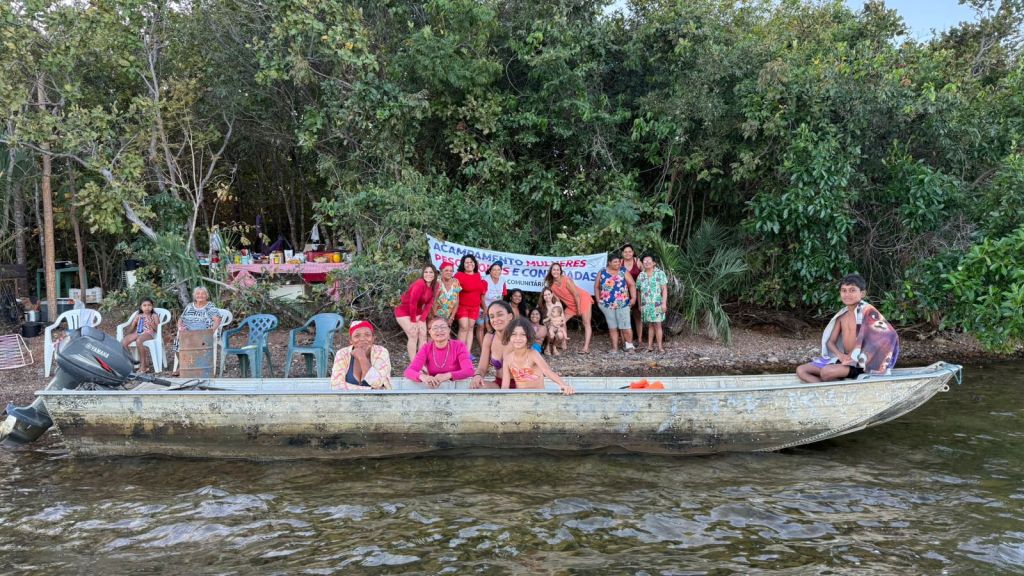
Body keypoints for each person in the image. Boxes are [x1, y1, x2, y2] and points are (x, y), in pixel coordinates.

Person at [796, 274, 901, 383]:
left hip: (859, 364)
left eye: (852, 290)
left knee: (826, 372)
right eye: (844, 290)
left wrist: (856, 356)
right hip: (844, 360)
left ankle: (834, 387)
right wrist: (841, 356)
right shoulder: (841, 316)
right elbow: (830, 342)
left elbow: (890, 335)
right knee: (801, 370)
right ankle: (826, 392)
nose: (847, 294)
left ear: (862, 293)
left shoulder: (867, 311)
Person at [501, 318, 574, 395]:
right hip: (521, 398)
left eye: (523, 334)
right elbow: (505, 385)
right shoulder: (507, 359)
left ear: (528, 337)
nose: (518, 338)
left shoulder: (533, 354)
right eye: (514, 334)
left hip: (539, 397)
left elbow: (547, 371)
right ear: (509, 336)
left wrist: (563, 385)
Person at [404, 317, 475, 388]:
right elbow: (409, 371)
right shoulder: (426, 348)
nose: (439, 330)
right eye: (435, 328)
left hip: (457, 387)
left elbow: (469, 370)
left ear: (449, 330)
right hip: (435, 387)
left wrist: (447, 375)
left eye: (443, 327)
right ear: (429, 332)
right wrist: (423, 377)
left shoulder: (459, 346)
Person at [544, 262, 594, 353]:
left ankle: (586, 348)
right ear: (551, 271)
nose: (555, 271)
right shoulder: (552, 285)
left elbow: (576, 295)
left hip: (582, 300)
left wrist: (578, 309)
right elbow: (557, 300)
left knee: (586, 323)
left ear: (560, 271)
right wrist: (556, 311)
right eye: (554, 269)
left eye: (557, 270)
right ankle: (564, 343)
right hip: (571, 305)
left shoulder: (566, 280)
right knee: (561, 321)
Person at [594, 252, 637, 353]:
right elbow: (596, 287)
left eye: (619, 262)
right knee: (612, 327)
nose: (618, 264)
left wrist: (633, 298)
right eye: (615, 262)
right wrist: (598, 299)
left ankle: (629, 347)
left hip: (623, 303)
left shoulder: (623, 271)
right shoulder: (602, 272)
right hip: (606, 304)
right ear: (609, 262)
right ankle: (615, 348)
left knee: (626, 326)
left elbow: (632, 284)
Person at [394, 265, 438, 361]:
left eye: (431, 272)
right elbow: (412, 303)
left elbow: (429, 303)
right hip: (403, 310)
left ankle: (421, 361)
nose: (428, 274)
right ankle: (414, 363)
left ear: (435, 274)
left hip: (417, 310)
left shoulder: (435, 285)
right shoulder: (419, 284)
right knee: (413, 334)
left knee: (423, 334)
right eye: (426, 272)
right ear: (423, 273)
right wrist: (414, 321)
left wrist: (422, 319)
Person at [331, 320, 392, 390]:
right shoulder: (342, 354)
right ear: (350, 340)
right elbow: (336, 385)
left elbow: (377, 383)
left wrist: (362, 357)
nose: (362, 339)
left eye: (367, 335)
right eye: (357, 336)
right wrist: (370, 390)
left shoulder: (381, 352)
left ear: (373, 339)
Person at [470, 300, 514, 389]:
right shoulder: (489, 338)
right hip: (498, 383)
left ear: (510, 316)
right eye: (492, 316)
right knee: (476, 386)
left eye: (500, 314)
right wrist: (477, 375)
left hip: (521, 385)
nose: (496, 319)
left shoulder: (519, 338)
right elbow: (482, 367)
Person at [454, 255, 487, 354]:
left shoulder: (478, 275)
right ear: (463, 264)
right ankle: (458, 352)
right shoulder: (458, 275)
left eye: (471, 262)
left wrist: (484, 307)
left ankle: (466, 353)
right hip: (462, 306)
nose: (469, 264)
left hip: (475, 307)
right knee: (464, 327)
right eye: (467, 262)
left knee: (470, 328)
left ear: (475, 263)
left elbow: (480, 293)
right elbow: (454, 293)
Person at [636, 254, 668, 353]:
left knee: (658, 324)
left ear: (654, 263)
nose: (647, 262)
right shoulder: (641, 275)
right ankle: (649, 346)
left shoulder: (660, 273)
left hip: (657, 304)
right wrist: (639, 304)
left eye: (649, 260)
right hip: (646, 304)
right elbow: (638, 291)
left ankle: (660, 347)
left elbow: (664, 290)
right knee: (650, 325)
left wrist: (664, 303)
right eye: (644, 261)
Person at [121, 298, 159, 372]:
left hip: (149, 333)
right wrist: (129, 332)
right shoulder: (139, 315)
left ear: (152, 306)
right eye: (144, 305)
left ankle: (143, 365)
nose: (147, 307)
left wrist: (152, 324)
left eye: (149, 305)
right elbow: (132, 327)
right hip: (138, 332)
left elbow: (158, 329)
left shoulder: (154, 315)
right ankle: (130, 363)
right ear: (141, 307)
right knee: (124, 341)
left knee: (139, 341)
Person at [476, 261, 507, 350]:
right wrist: (485, 309)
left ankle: (493, 348)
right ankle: (483, 349)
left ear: (501, 271)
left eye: (498, 270)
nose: (496, 272)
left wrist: (499, 308)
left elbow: (502, 296)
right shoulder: (485, 280)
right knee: (481, 326)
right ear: (490, 271)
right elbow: (481, 296)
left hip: (494, 307)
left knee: (492, 327)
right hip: (482, 306)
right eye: (494, 270)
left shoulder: (503, 280)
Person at [620, 243, 643, 347]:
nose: (628, 253)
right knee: (623, 318)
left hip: (637, 293)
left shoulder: (637, 262)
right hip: (622, 294)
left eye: (630, 251)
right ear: (622, 253)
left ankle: (640, 340)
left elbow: (645, 274)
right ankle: (625, 341)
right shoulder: (619, 263)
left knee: (638, 316)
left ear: (633, 252)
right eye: (625, 252)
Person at [432, 262, 461, 326]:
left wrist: (452, 317)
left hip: (448, 316)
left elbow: (457, 301)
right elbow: (433, 301)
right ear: (441, 271)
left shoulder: (456, 282)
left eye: (451, 271)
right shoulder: (437, 282)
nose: (449, 272)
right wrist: (436, 316)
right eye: (446, 270)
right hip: (434, 315)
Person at [541, 288, 567, 355]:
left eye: (549, 294)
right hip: (546, 327)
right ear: (543, 297)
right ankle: (547, 346)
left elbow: (563, 319)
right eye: (545, 295)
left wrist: (560, 325)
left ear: (552, 294)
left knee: (560, 335)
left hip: (557, 326)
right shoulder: (541, 306)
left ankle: (554, 346)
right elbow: (539, 320)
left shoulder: (558, 304)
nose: (547, 296)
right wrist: (547, 321)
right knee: (551, 334)